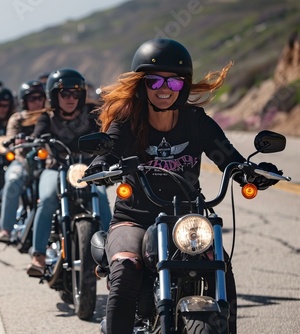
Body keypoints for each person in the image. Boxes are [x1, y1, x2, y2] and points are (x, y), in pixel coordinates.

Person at [85, 38, 280, 334]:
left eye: (174, 83)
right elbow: (106, 152)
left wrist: (252, 173)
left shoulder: (196, 121)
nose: (164, 89)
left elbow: (228, 158)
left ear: (184, 86)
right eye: (154, 81)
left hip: (187, 219)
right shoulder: (126, 122)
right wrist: (101, 166)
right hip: (133, 218)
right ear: (141, 84)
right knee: (125, 268)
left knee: (221, 265)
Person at [26, 68, 112, 277]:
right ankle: (38, 256)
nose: (71, 98)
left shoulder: (92, 116)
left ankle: (113, 253)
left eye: (75, 93)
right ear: (54, 96)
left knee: (101, 197)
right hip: (55, 168)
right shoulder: (47, 118)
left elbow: (108, 132)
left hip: (86, 170)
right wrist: (32, 140)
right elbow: (37, 135)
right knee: (46, 199)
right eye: (65, 93)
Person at [0, 80, 48, 242]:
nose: (37, 102)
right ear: (24, 101)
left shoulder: (50, 115)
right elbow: (9, 136)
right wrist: (14, 141)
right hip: (23, 162)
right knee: (12, 181)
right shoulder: (17, 119)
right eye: (33, 99)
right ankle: (6, 229)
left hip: (48, 162)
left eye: (40, 98)